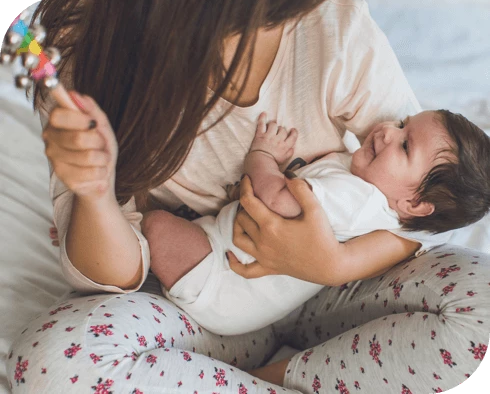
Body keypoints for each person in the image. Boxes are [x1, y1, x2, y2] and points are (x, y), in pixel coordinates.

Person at [7, 0, 489, 392]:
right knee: (53, 363)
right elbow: (108, 276)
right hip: (203, 301)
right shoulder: (90, 57)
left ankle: (275, 378)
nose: (390, 132)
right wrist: (94, 193)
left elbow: (429, 210)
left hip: (333, 294)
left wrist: (331, 265)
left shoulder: (330, 23)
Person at [141, 109, 490, 336]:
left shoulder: (360, 201)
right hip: (224, 260)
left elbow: (276, 200)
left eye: (404, 146)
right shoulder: (366, 179)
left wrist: (260, 157)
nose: (386, 131)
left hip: (222, 280)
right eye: (402, 123)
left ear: (415, 203)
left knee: (155, 225)